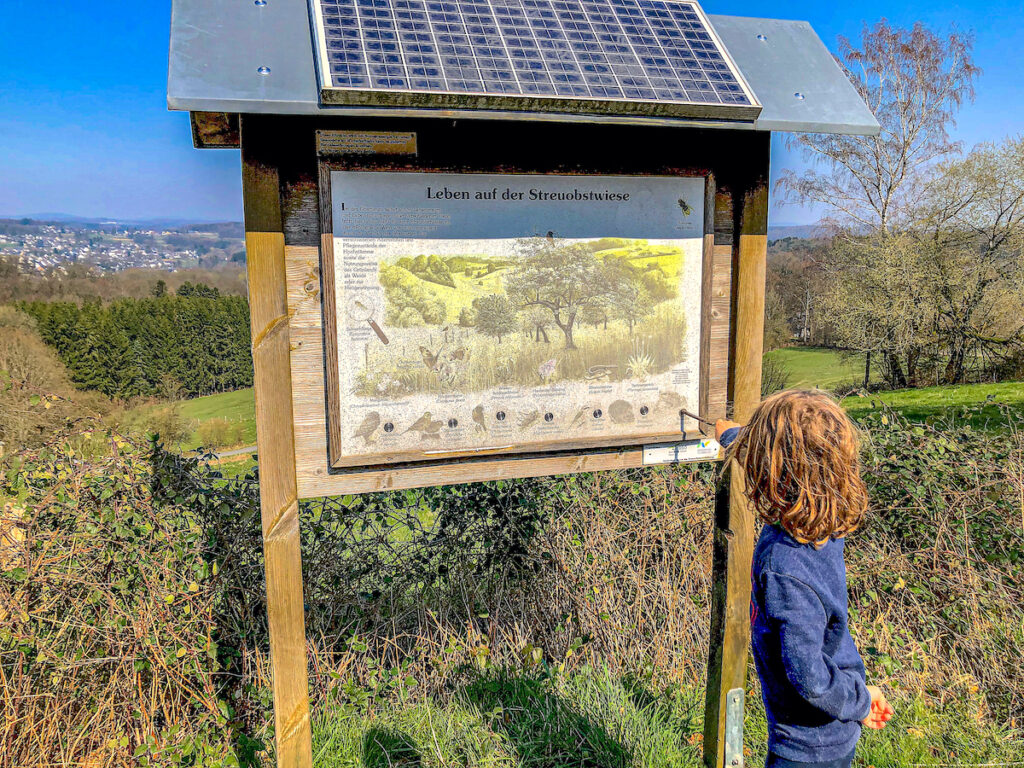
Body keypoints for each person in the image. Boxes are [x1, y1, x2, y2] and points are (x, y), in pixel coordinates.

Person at [715, 390, 893, 768]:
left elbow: (809, 676)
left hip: (806, 747)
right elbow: (788, 456)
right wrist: (732, 437)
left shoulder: (785, 567)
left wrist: (859, 701)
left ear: (776, 475)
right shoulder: (823, 520)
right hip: (831, 728)